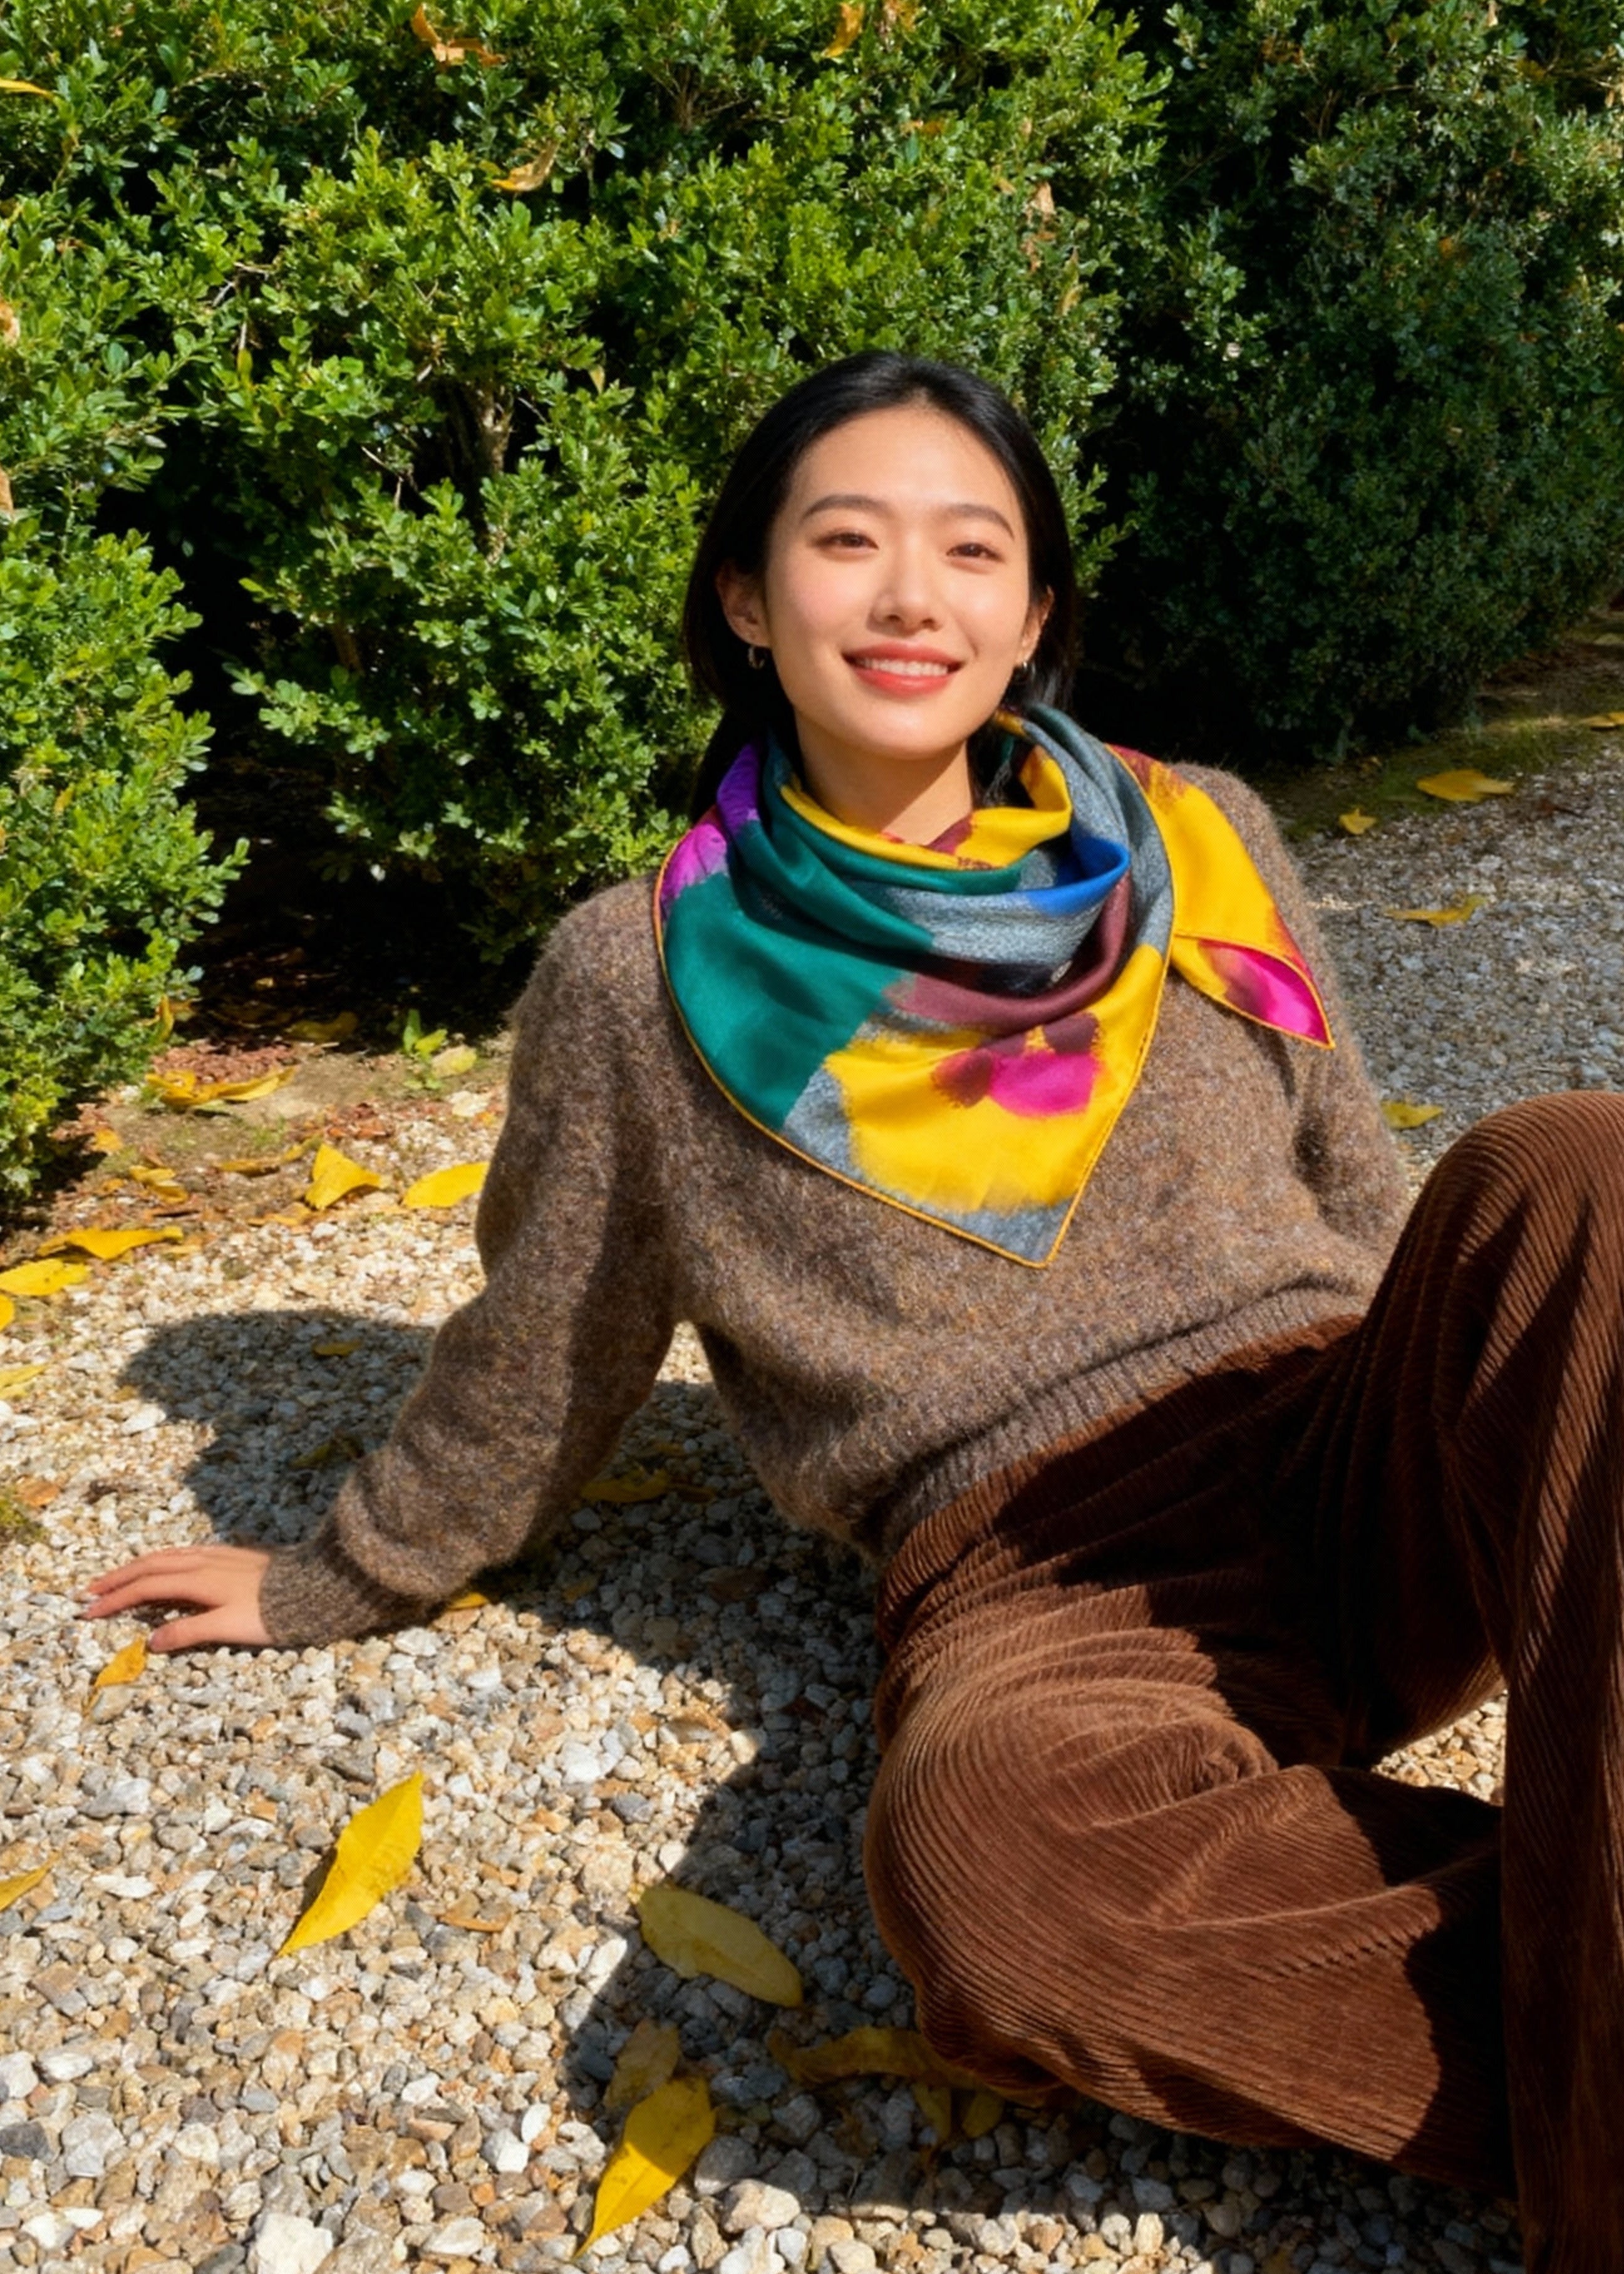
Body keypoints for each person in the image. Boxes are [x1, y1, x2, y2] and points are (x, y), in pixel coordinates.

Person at [83, 353, 1624, 2274]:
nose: (913, 598)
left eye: (970, 551)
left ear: (1032, 614)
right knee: (994, 1882)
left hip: (1339, 1433)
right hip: (1036, 1571)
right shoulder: (633, 974)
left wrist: (1502, 1401)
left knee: (1581, 1163)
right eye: (848, 541)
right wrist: (347, 1566)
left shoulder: (1199, 831)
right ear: (746, 595)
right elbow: (548, 1335)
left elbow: (1359, 1185)